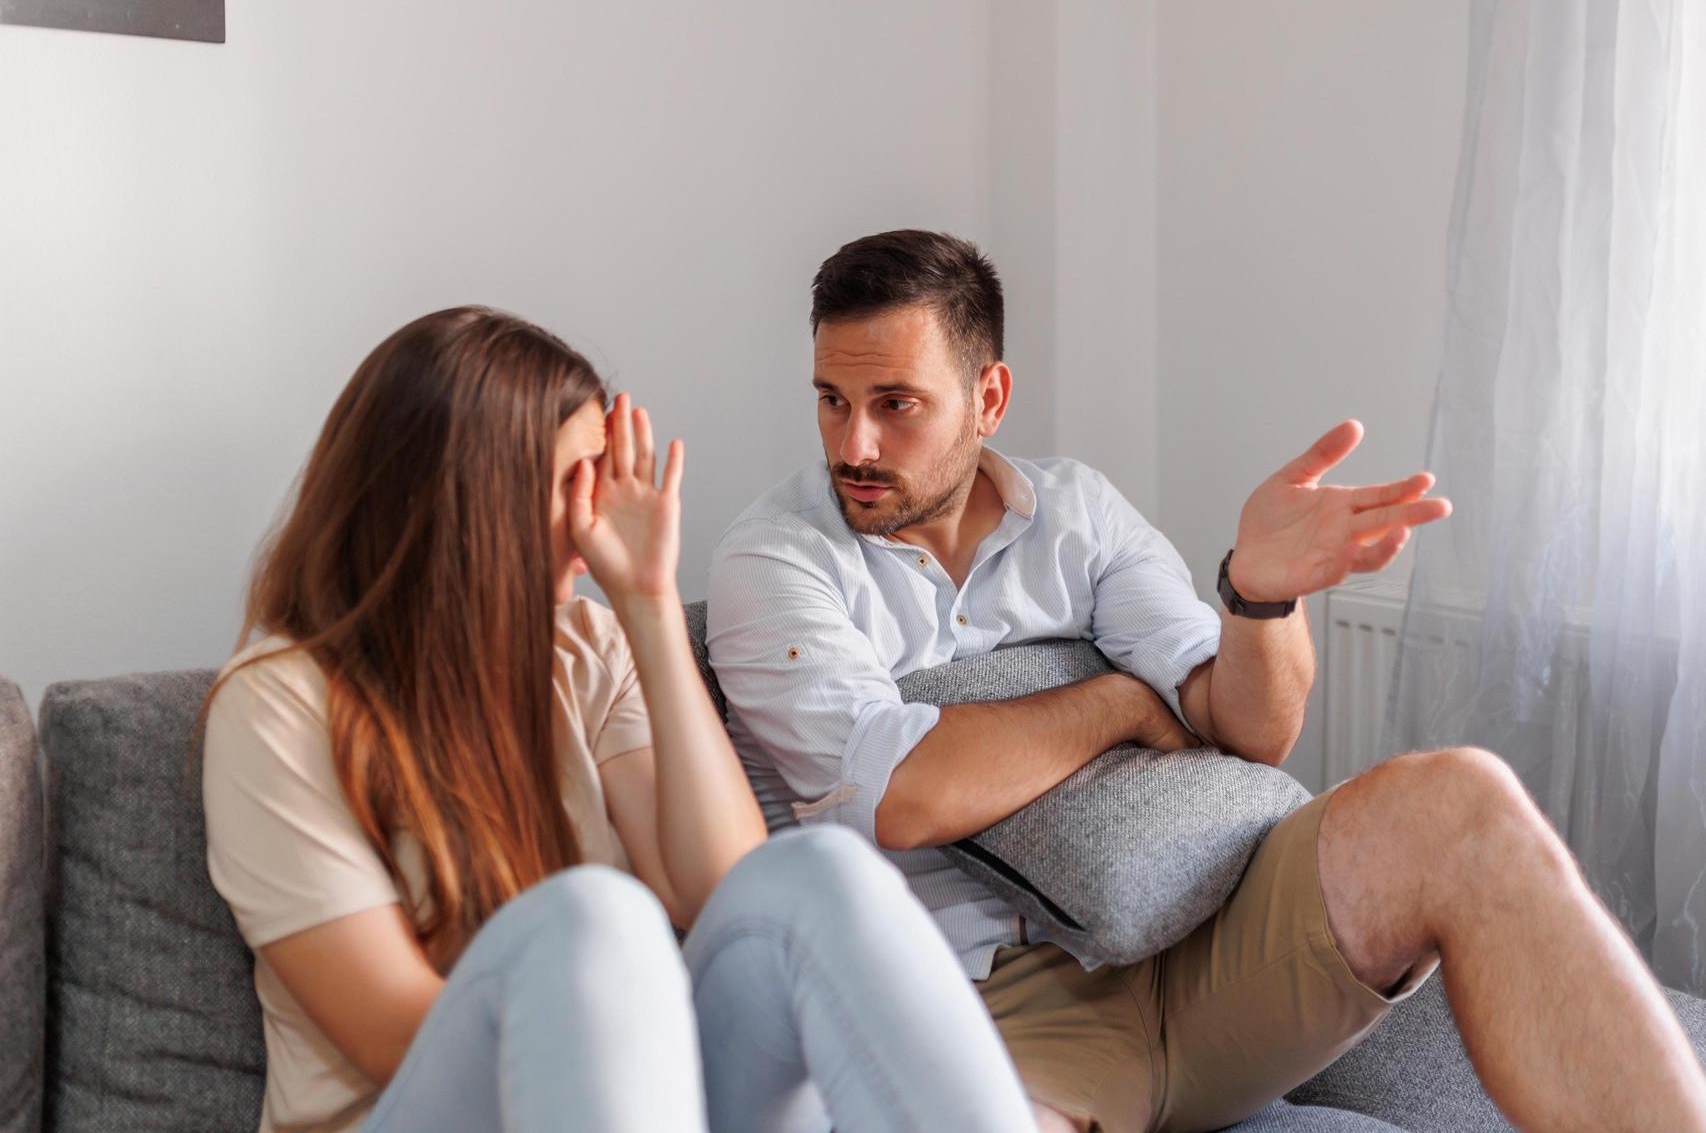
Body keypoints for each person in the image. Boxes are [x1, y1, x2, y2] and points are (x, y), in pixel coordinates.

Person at [706, 230, 1706, 1133]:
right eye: (831, 400)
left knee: (1460, 798)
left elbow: (1247, 727)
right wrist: (1117, 702)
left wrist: (1258, 599)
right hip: (986, 1007)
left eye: (895, 405)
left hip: (1201, 948)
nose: (854, 445)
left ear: (989, 398)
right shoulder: (777, 561)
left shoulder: (1077, 514)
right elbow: (902, 794)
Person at [199, 306, 1037, 1133]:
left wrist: (648, 603)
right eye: (572, 480)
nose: (593, 512)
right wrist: (608, 1028)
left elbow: (722, 889)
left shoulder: (583, 649)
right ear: (467, 496)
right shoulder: (279, 704)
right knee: (593, 918)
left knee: (816, 871)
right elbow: (387, 1036)